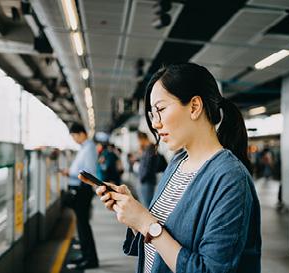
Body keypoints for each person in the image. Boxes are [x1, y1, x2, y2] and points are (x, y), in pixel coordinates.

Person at [80, 63, 261, 272]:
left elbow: (209, 269)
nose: (156, 124)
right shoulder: (178, 162)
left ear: (194, 107)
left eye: (161, 110)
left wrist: (147, 223)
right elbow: (162, 243)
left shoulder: (230, 178)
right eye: (152, 115)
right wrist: (134, 214)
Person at [59, 123, 100, 269]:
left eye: (74, 136)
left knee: (83, 225)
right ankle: (85, 255)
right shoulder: (85, 148)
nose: (74, 139)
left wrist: (69, 173)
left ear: (81, 133)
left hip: (83, 190)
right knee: (81, 225)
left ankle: (90, 259)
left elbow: (87, 172)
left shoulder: (88, 148)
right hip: (81, 189)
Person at [136, 131, 161, 206]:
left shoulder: (150, 149)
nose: (138, 143)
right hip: (146, 180)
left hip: (147, 181)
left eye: (138, 141)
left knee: (147, 205)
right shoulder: (148, 149)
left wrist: (142, 178)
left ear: (142, 139)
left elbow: (148, 166)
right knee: (146, 203)